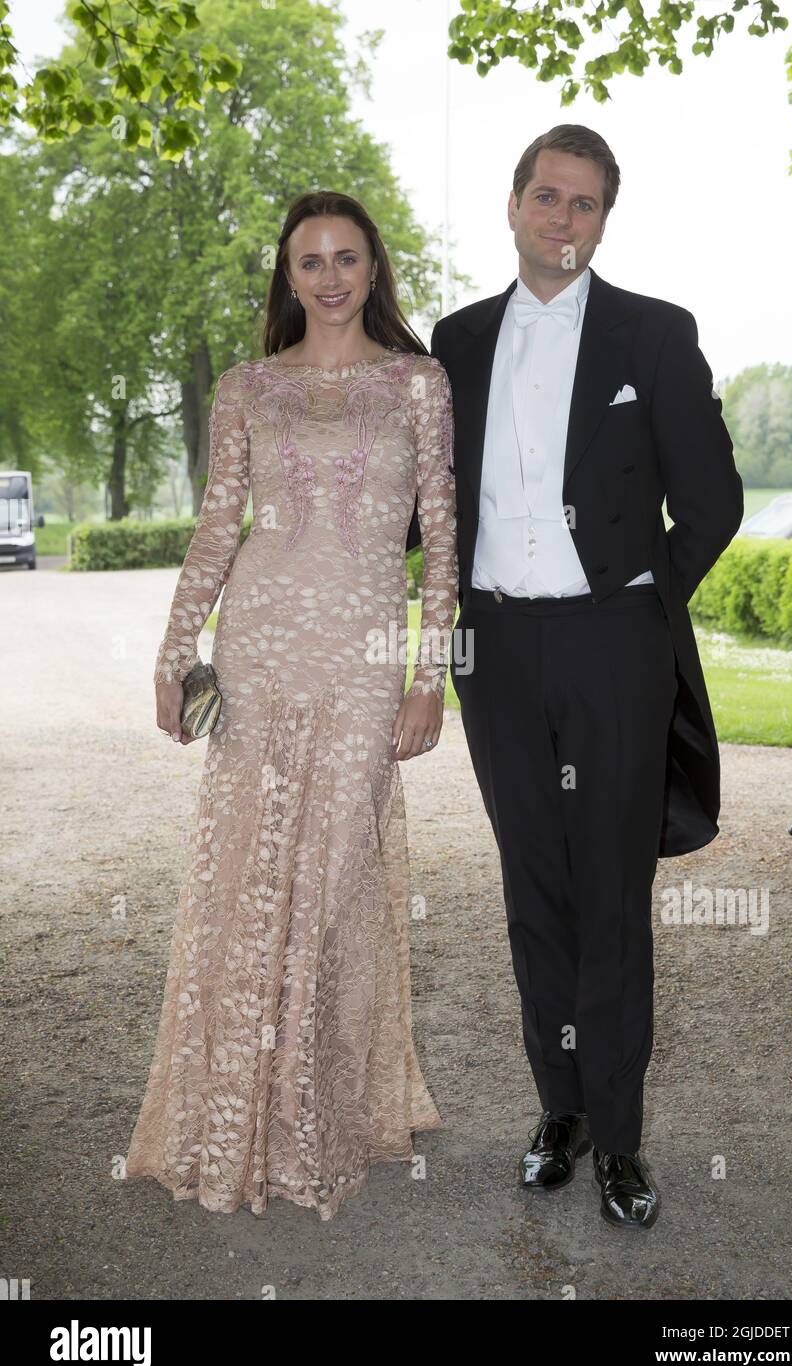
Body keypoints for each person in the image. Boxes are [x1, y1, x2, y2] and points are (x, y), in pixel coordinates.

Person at [124, 191, 458, 1221]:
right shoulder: (246, 388)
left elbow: (442, 540)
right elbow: (218, 528)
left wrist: (427, 674)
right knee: (248, 879)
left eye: (346, 257)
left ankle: (312, 1116)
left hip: (362, 659)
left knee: (333, 880)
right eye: (309, 260)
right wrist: (176, 655)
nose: (328, 276)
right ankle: (234, 1118)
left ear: (373, 268)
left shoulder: (419, 383)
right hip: (261, 651)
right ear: (287, 272)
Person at [433, 125, 743, 1230]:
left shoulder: (654, 335)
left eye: (587, 205)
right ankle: (556, 1110)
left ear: (605, 220)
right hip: (499, 654)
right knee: (535, 889)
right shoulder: (455, 342)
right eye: (548, 198)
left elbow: (712, 502)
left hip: (615, 646)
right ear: (512, 205)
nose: (565, 220)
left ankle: (619, 1136)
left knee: (613, 898)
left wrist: (646, 614)